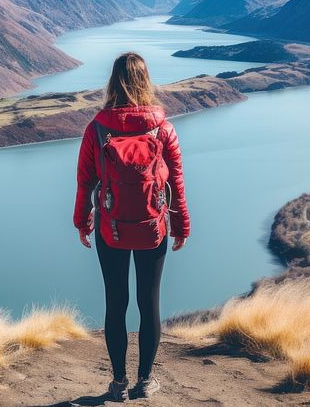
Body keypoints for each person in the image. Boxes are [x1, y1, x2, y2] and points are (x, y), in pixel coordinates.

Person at [74, 52, 190, 401]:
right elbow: (177, 182)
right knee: (148, 301)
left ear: (113, 82)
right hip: (153, 228)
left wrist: (83, 221)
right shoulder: (163, 127)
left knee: (116, 303)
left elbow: (85, 181)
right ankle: (145, 381)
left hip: (111, 229)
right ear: (145, 81)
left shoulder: (96, 128)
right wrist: (181, 224)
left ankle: (118, 383)